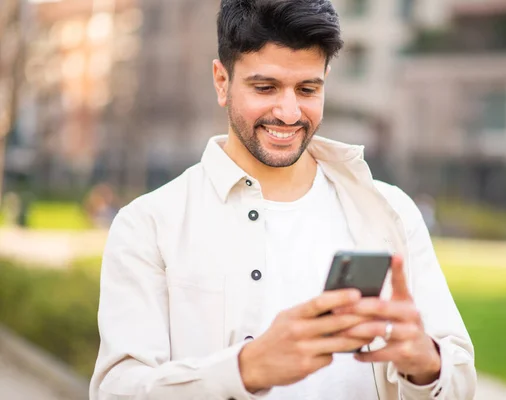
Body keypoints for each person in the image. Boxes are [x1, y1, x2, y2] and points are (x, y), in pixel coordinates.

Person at [90, 1, 476, 399]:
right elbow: (118, 390)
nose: (289, 112)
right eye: (265, 87)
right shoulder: (148, 225)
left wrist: (426, 365)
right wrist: (244, 369)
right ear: (222, 82)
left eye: (307, 89)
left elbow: (461, 379)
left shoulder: (390, 210)